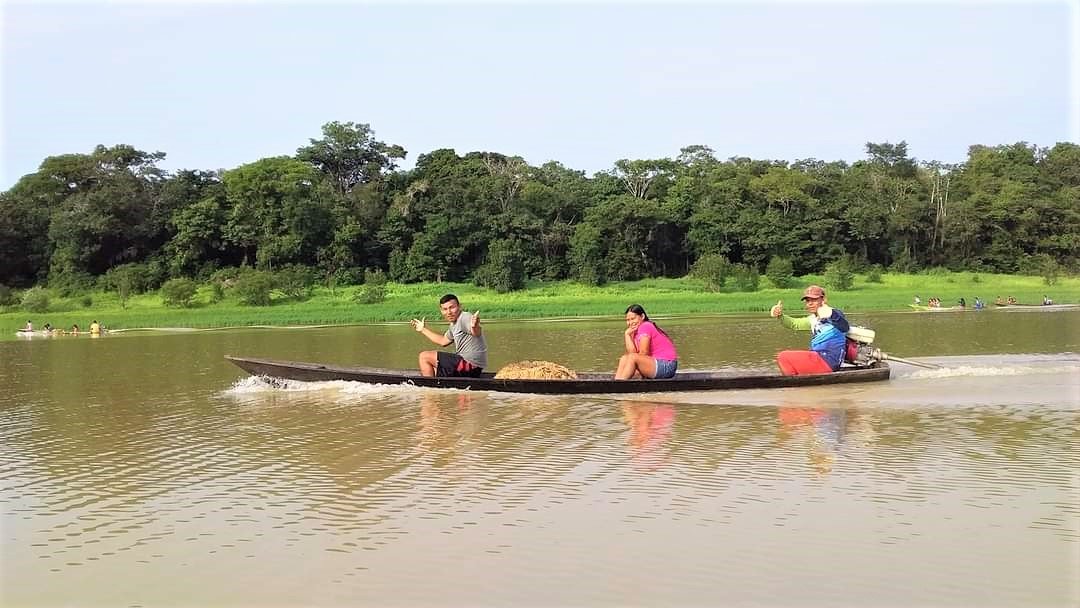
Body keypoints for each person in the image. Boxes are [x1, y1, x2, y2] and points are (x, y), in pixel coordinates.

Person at [769, 285, 851, 376]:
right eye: (808, 301)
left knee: (783, 357)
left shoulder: (834, 313)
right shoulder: (813, 319)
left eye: (814, 300)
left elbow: (845, 327)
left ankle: (792, 385)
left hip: (827, 360)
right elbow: (794, 324)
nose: (810, 303)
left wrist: (832, 315)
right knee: (791, 358)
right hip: (818, 358)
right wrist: (780, 316)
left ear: (823, 300)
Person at [411, 294, 487, 377]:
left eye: (452, 307)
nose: (449, 312)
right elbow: (443, 341)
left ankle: (429, 387)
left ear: (460, 306)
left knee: (424, 356)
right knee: (433, 370)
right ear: (441, 310)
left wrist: (475, 326)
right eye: (445, 309)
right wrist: (423, 329)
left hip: (469, 366)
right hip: (470, 369)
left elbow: (476, 333)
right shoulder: (453, 325)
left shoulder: (465, 317)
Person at [614, 305, 679, 380]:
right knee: (624, 358)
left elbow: (644, 353)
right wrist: (627, 335)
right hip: (655, 364)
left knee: (632, 358)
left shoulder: (645, 326)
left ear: (642, 316)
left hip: (667, 366)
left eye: (633, 319)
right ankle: (617, 381)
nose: (630, 322)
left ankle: (620, 384)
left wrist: (633, 369)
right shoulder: (635, 331)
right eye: (628, 320)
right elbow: (632, 353)